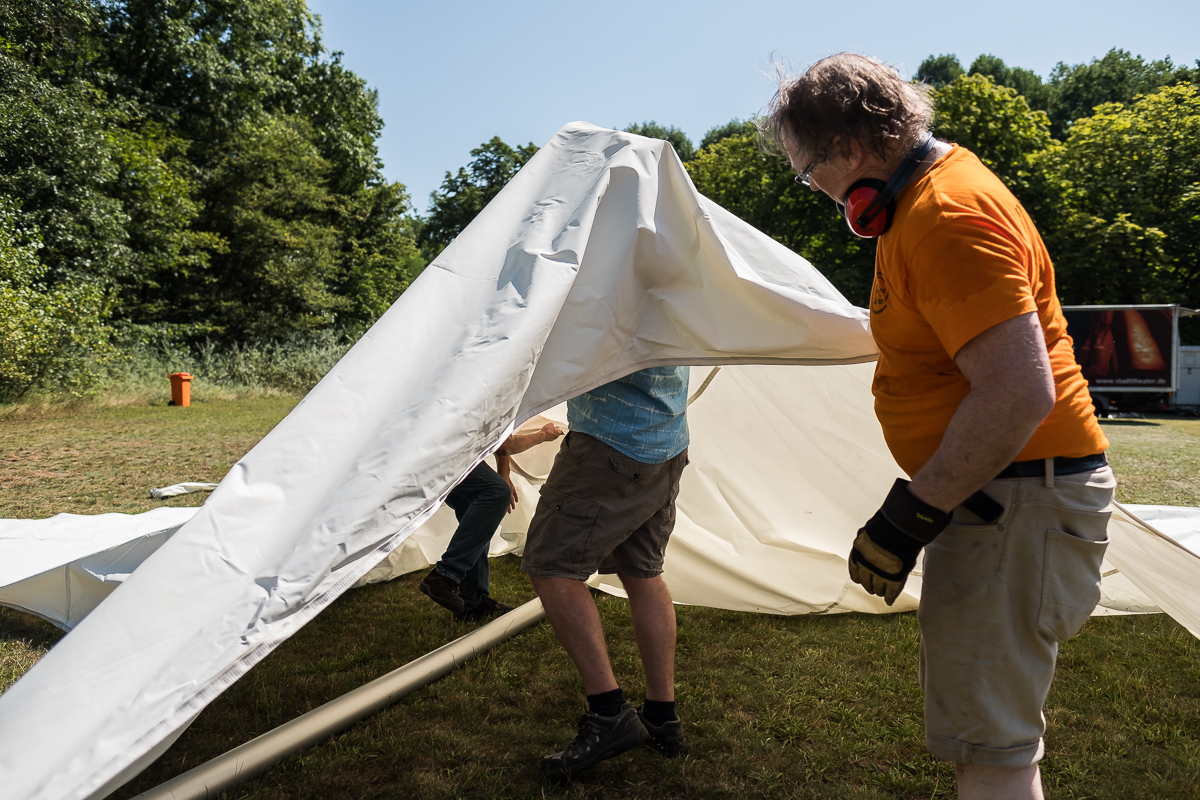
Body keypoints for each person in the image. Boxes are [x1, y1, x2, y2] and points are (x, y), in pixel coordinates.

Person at [765, 54, 1113, 800]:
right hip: (1002, 502)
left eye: (808, 170)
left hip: (1012, 504)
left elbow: (1019, 392)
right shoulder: (926, 199)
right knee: (992, 740)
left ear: (851, 148)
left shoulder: (945, 214)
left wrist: (910, 515)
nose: (817, 190)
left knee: (991, 752)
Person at [521, 366, 692, 779]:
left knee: (553, 568)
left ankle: (609, 713)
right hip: (665, 441)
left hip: (609, 446)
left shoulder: (617, 296)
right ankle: (661, 717)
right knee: (642, 573)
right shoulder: (680, 295)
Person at [419, 422, 564, 621]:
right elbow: (506, 445)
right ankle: (445, 575)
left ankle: (472, 603)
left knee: (478, 513)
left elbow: (503, 435)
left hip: (441, 451)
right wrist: (544, 435)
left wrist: (504, 473)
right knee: (495, 492)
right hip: (435, 451)